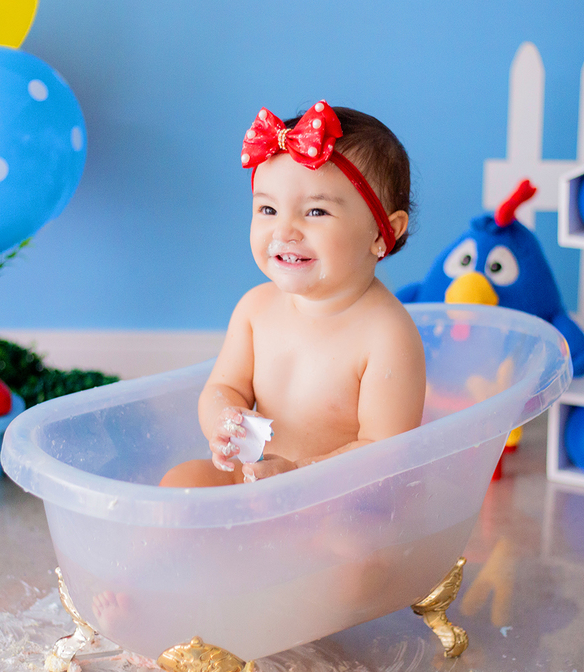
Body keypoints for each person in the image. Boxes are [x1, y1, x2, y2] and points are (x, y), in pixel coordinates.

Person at [161, 100, 425, 487]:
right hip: (255, 477)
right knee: (180, 481)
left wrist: (299, 475)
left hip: (340, 497)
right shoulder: (255, 309)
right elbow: (223, 388)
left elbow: (384, 453)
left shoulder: (387, 335)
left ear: (383, 232)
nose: (284, 231)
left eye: (316, 212)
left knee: (349, 531)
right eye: (268, 210)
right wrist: (225, 419)